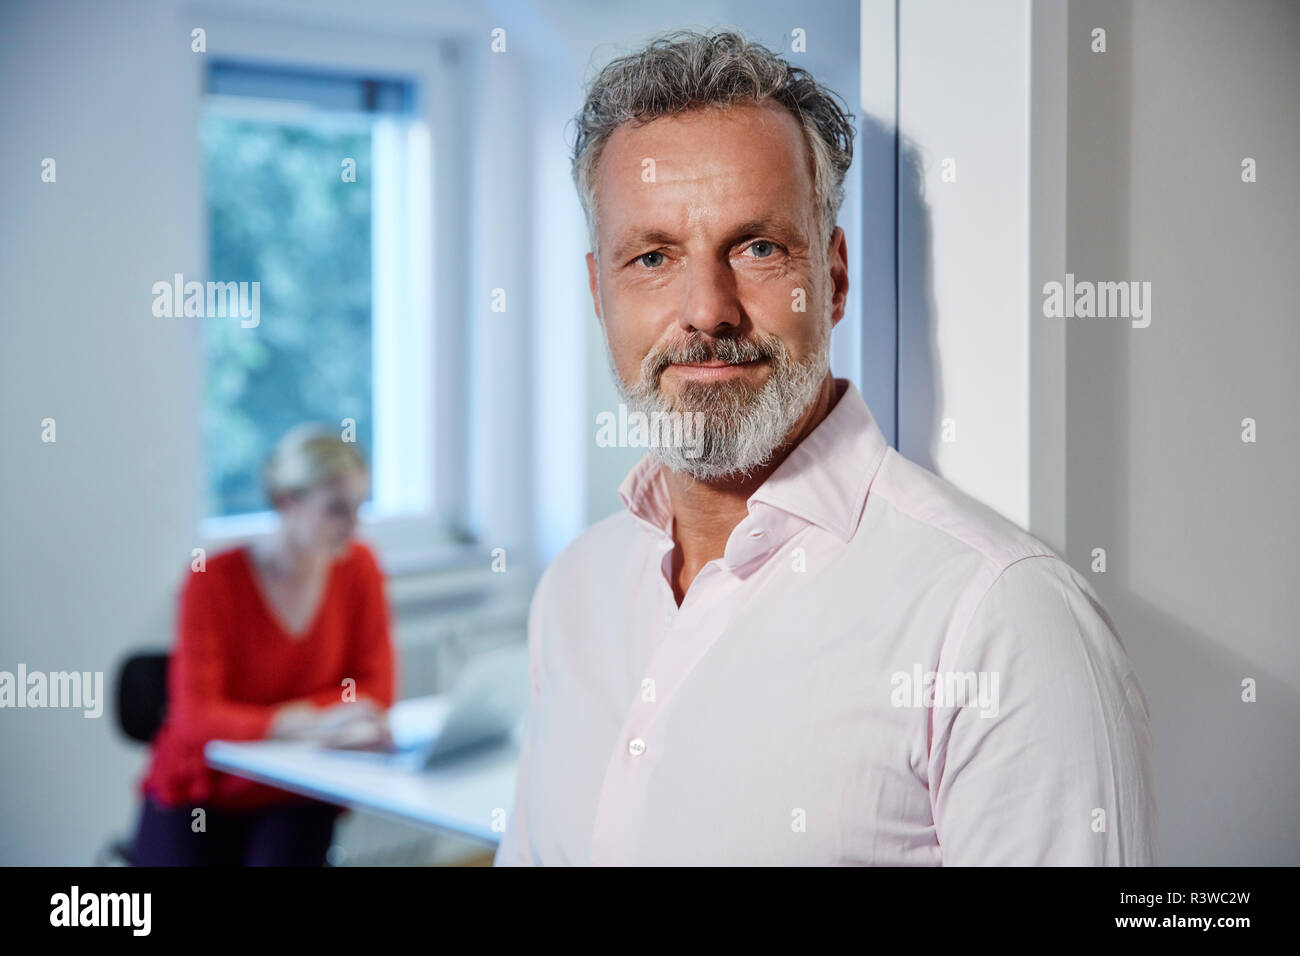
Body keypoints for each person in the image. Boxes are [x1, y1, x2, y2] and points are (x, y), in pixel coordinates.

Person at [495, 30, 1157, 865]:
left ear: (834, 279)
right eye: (653, 257)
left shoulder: (1000, 620)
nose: (708, 310)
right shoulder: (573, 593)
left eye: (757, 248)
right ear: (599, 293)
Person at [132, 423, 398, 866]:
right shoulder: (211, 581)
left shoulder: (360, 568)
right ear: (285, 502)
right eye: (337, 509)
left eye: (359, 507)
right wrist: (309, 720)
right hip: (204, 784)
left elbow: (375, 692)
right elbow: (196, 717)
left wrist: (282, 723)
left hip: (297, 783)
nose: (354, 525)